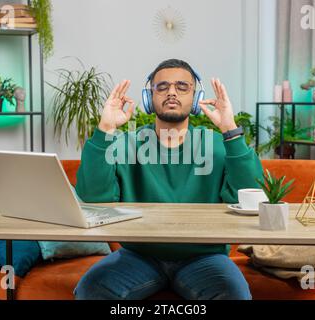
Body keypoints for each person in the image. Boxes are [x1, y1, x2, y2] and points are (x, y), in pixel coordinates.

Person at [74, 59, 263, 300]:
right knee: (91, 290)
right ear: (149, 98)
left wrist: (230, 129)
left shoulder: (218, 145)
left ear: (196, 98)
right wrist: (105, 128)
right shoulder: (125, 145)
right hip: (138, 255)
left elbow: (251, 198)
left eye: (182, 86)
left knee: (235, 295)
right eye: (162, 87)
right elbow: (93, 197)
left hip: (205, 256)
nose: (172, 92)